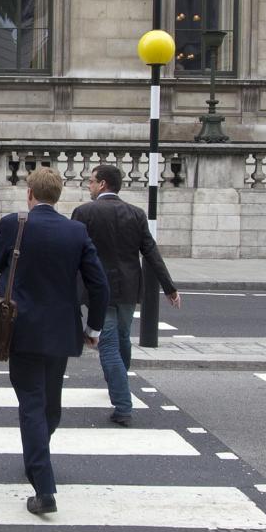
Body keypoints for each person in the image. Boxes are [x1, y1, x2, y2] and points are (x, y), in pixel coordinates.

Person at [0, 167, 107, 516]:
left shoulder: (14, 224)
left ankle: (44, 486)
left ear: (30, 193)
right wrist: (93, 329)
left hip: (21, 328)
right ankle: (39, 457)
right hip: (62, 330)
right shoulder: (76, 231)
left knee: (32, 406)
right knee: (50, 405)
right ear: (58, 196)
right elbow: (99, 284)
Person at [71, 162, 181, 426]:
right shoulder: (136, 214)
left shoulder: (84, 212)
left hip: (100, 290)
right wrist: (170, 287)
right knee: (122, 338)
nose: (89, 185)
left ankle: (122, 405)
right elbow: (151, 252)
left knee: (108, 346)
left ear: (102, 185)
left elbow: (71, 252)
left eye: (91, 181)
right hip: (130, 289)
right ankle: (116, 379)